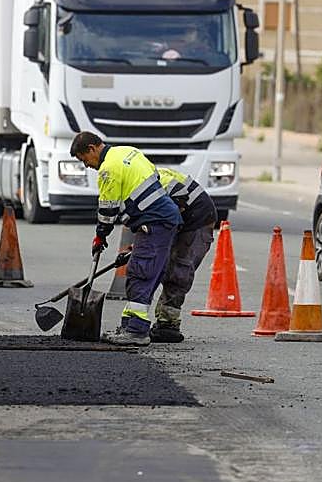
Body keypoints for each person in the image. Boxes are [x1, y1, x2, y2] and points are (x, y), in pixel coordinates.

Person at [71, 131, 181, 346]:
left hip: (154, 223)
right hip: (162, 220)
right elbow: (155, 177)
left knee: (140, 273)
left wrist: (100, 235)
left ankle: (137, 332)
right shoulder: (127, 151)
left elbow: (107, 210)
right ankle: (129, 325)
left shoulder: (108, 170)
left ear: (92, 149)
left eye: (84, 160)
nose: (87, 166)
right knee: (145, 273)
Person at [150, 166, 219, 343]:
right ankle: (162, 319)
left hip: (198, 219)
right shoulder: (145, 178)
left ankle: (168, 324)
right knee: (164, 267)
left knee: (179, 270)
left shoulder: (153, 181)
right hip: (183, 216)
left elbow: (179, 198)